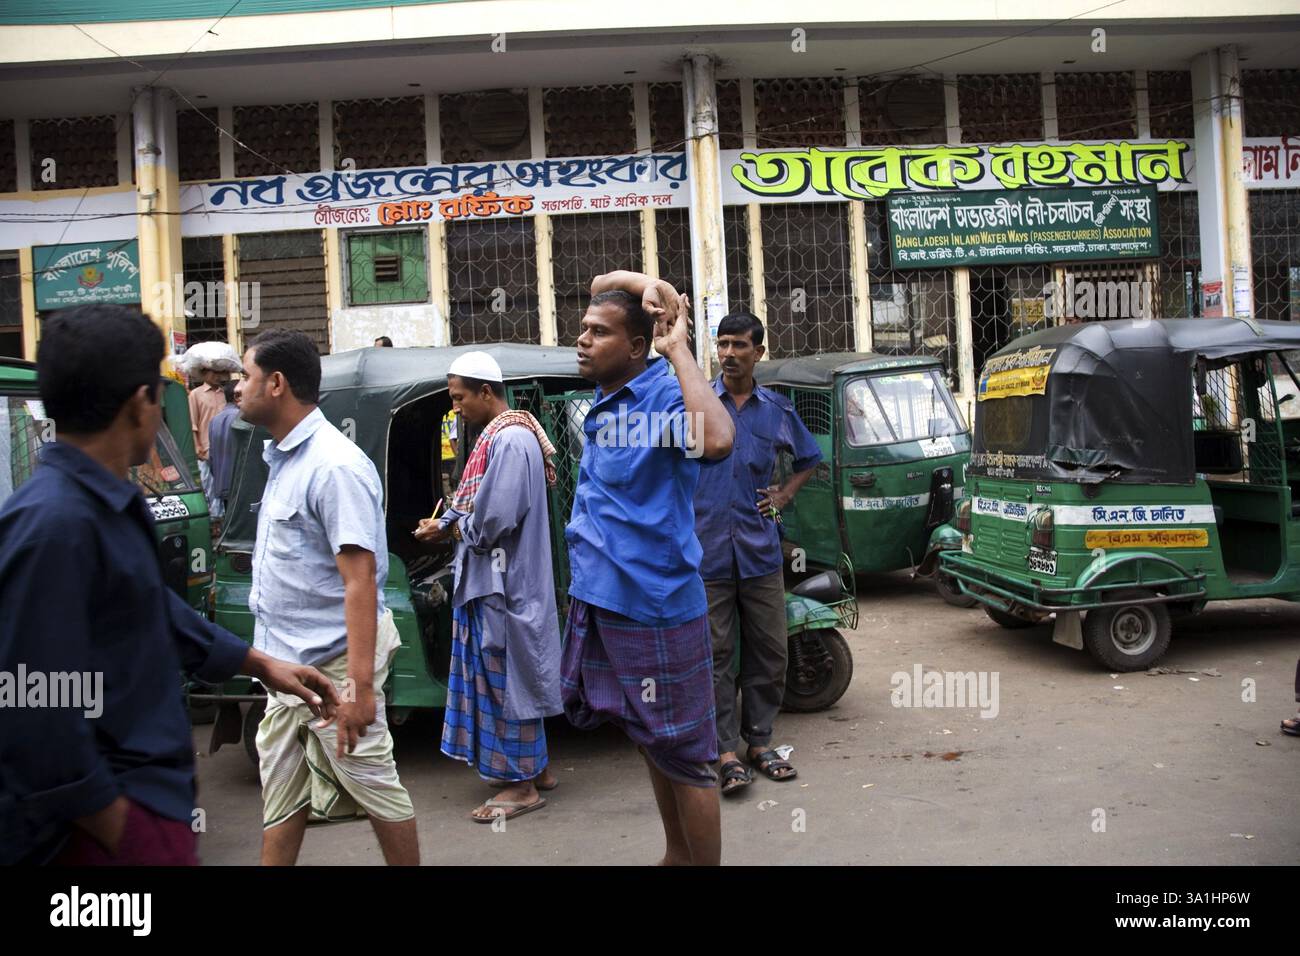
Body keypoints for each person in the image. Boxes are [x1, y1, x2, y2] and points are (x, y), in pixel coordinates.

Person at [0, 304, 340, 866]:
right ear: (141, 404)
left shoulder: (112, 504)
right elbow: (31, 703)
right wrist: (121, 829)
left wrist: (258, 663)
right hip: (94, 839)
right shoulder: (53, 526)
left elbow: (149, 609)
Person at [561, 271, 734, 866]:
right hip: (605, 599)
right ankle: (676, 856)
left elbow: (716, 440)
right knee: (651, 743)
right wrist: (652, 285)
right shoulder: (610, 398)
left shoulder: (664, 399)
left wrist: (677, 342)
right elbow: (603, 280)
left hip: (655, 606)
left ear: (637, 347)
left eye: (599, 332)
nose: (582, 340)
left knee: (686, 754)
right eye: (583, 329)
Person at [236, 329, 420, 866]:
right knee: (283, 798)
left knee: (377, 789)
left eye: (245, 377)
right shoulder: (283, 459)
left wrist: (360, 690)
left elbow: (360, 581)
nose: (235, 390)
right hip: (285, 666)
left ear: (275, 384)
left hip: (334, 669)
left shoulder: (334, 466)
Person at [414, 351, 563, 823]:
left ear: (485, 392)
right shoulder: (498, 438)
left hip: (504, 587)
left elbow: (494, 520)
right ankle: (534, 770)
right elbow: (479, 508)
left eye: (459, 398)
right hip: (497, 584)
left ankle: (520, 787)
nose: (456, 408)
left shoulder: (511, 440)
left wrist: (451, 530)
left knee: (505, 682)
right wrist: (452, 522)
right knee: (510, 677)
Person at [694, 311, 822, 796]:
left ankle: (760, 740)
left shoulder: (776, 410)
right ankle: (725, 749)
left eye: (738, 345)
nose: (728, 353)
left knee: (770, 651)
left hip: (760, 550)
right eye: (722, 344)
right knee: (716, 654)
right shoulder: (699, 404)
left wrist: (785, 494)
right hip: (706, 553)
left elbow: (810, 458)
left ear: (758, 352)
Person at [188, 364, 229, 513]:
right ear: (204, 373)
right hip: (206, 448)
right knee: (208, 485)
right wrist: (196, 445)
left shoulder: (225, 393)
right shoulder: (195, 394)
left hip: (226, 447)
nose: (218, 376)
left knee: (225, 484)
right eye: (214, 373)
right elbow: (192, 422)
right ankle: (213, 518)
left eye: (220, 372)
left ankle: (224, 517)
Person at [207, 379, 240, 521]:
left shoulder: (214, 420)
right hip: (238, 482)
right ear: (236, 396)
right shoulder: (241, 418)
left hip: (222, 481)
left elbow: (211, 456)